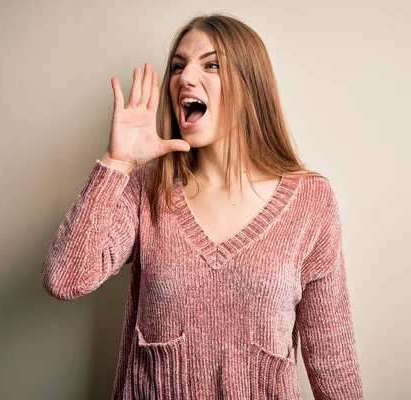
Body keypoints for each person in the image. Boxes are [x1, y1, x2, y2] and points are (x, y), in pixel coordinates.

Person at [41, 13, 364, 400]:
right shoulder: (148, 188)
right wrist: (117, 162)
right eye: (178, 66)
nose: (185, 78)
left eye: (211, 64)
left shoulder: (310, 201)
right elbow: (65, 278)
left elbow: (332, 358)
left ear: (251, 86)